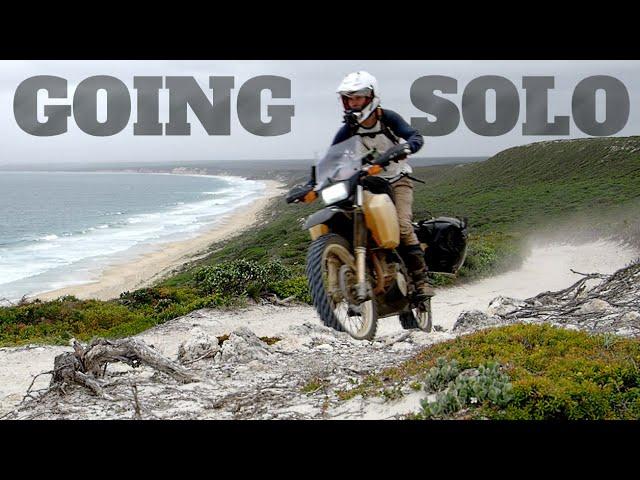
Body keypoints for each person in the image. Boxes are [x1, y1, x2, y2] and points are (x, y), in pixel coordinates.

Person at [331, 71, 435, 299]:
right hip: (368, 184)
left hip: (398, 180)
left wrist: (404, 148)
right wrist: (311, 183)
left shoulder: (388, 118)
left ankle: (421, 280)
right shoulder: (349, 128)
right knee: (352, 218)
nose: (352, 103)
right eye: (348, 98)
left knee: (402, 226)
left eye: (357, 97)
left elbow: (415, 136)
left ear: (371, 96)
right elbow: (331, 157)